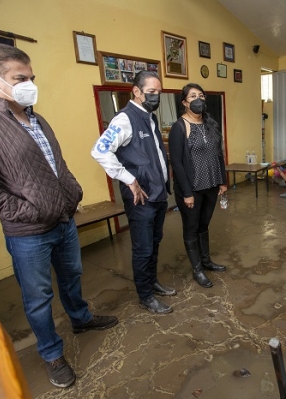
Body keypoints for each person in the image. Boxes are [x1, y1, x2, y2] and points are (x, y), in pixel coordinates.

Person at [0, 44, 118, 389]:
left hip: (64, 220)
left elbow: (58, 165)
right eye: (20, 78)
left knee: (72, 277)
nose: (29, 84)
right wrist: (30, 212)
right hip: (28, 233)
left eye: (32, 78)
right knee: (38, 297)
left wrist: (72, 195)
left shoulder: (36, 117)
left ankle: (81, 319)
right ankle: (52, 352)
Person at [91, 71, 176, 314]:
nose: (156, 97)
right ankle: (145, 295)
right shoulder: (125, 119)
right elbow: (100, 151)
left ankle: (152, 282)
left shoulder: (149, 117)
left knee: (155, 243)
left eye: (159, 92)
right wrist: (129, 179)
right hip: (141, 198)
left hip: (158, 194)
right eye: (151, 92)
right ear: (136, 92)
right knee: (143, 248)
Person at [168, 83, 227, 288]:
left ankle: (206, 260)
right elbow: (176, 162)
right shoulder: (179, 127)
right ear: (185, 103)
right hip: (192, 189)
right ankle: (197, 270)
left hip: (211, 185)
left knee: (204, 225)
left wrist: (223, 181)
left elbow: (218, 153)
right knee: (191, 228)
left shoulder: (210, 124)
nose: (198, 99)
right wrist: (186, 193)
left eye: (200, 95)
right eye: (192, 96)